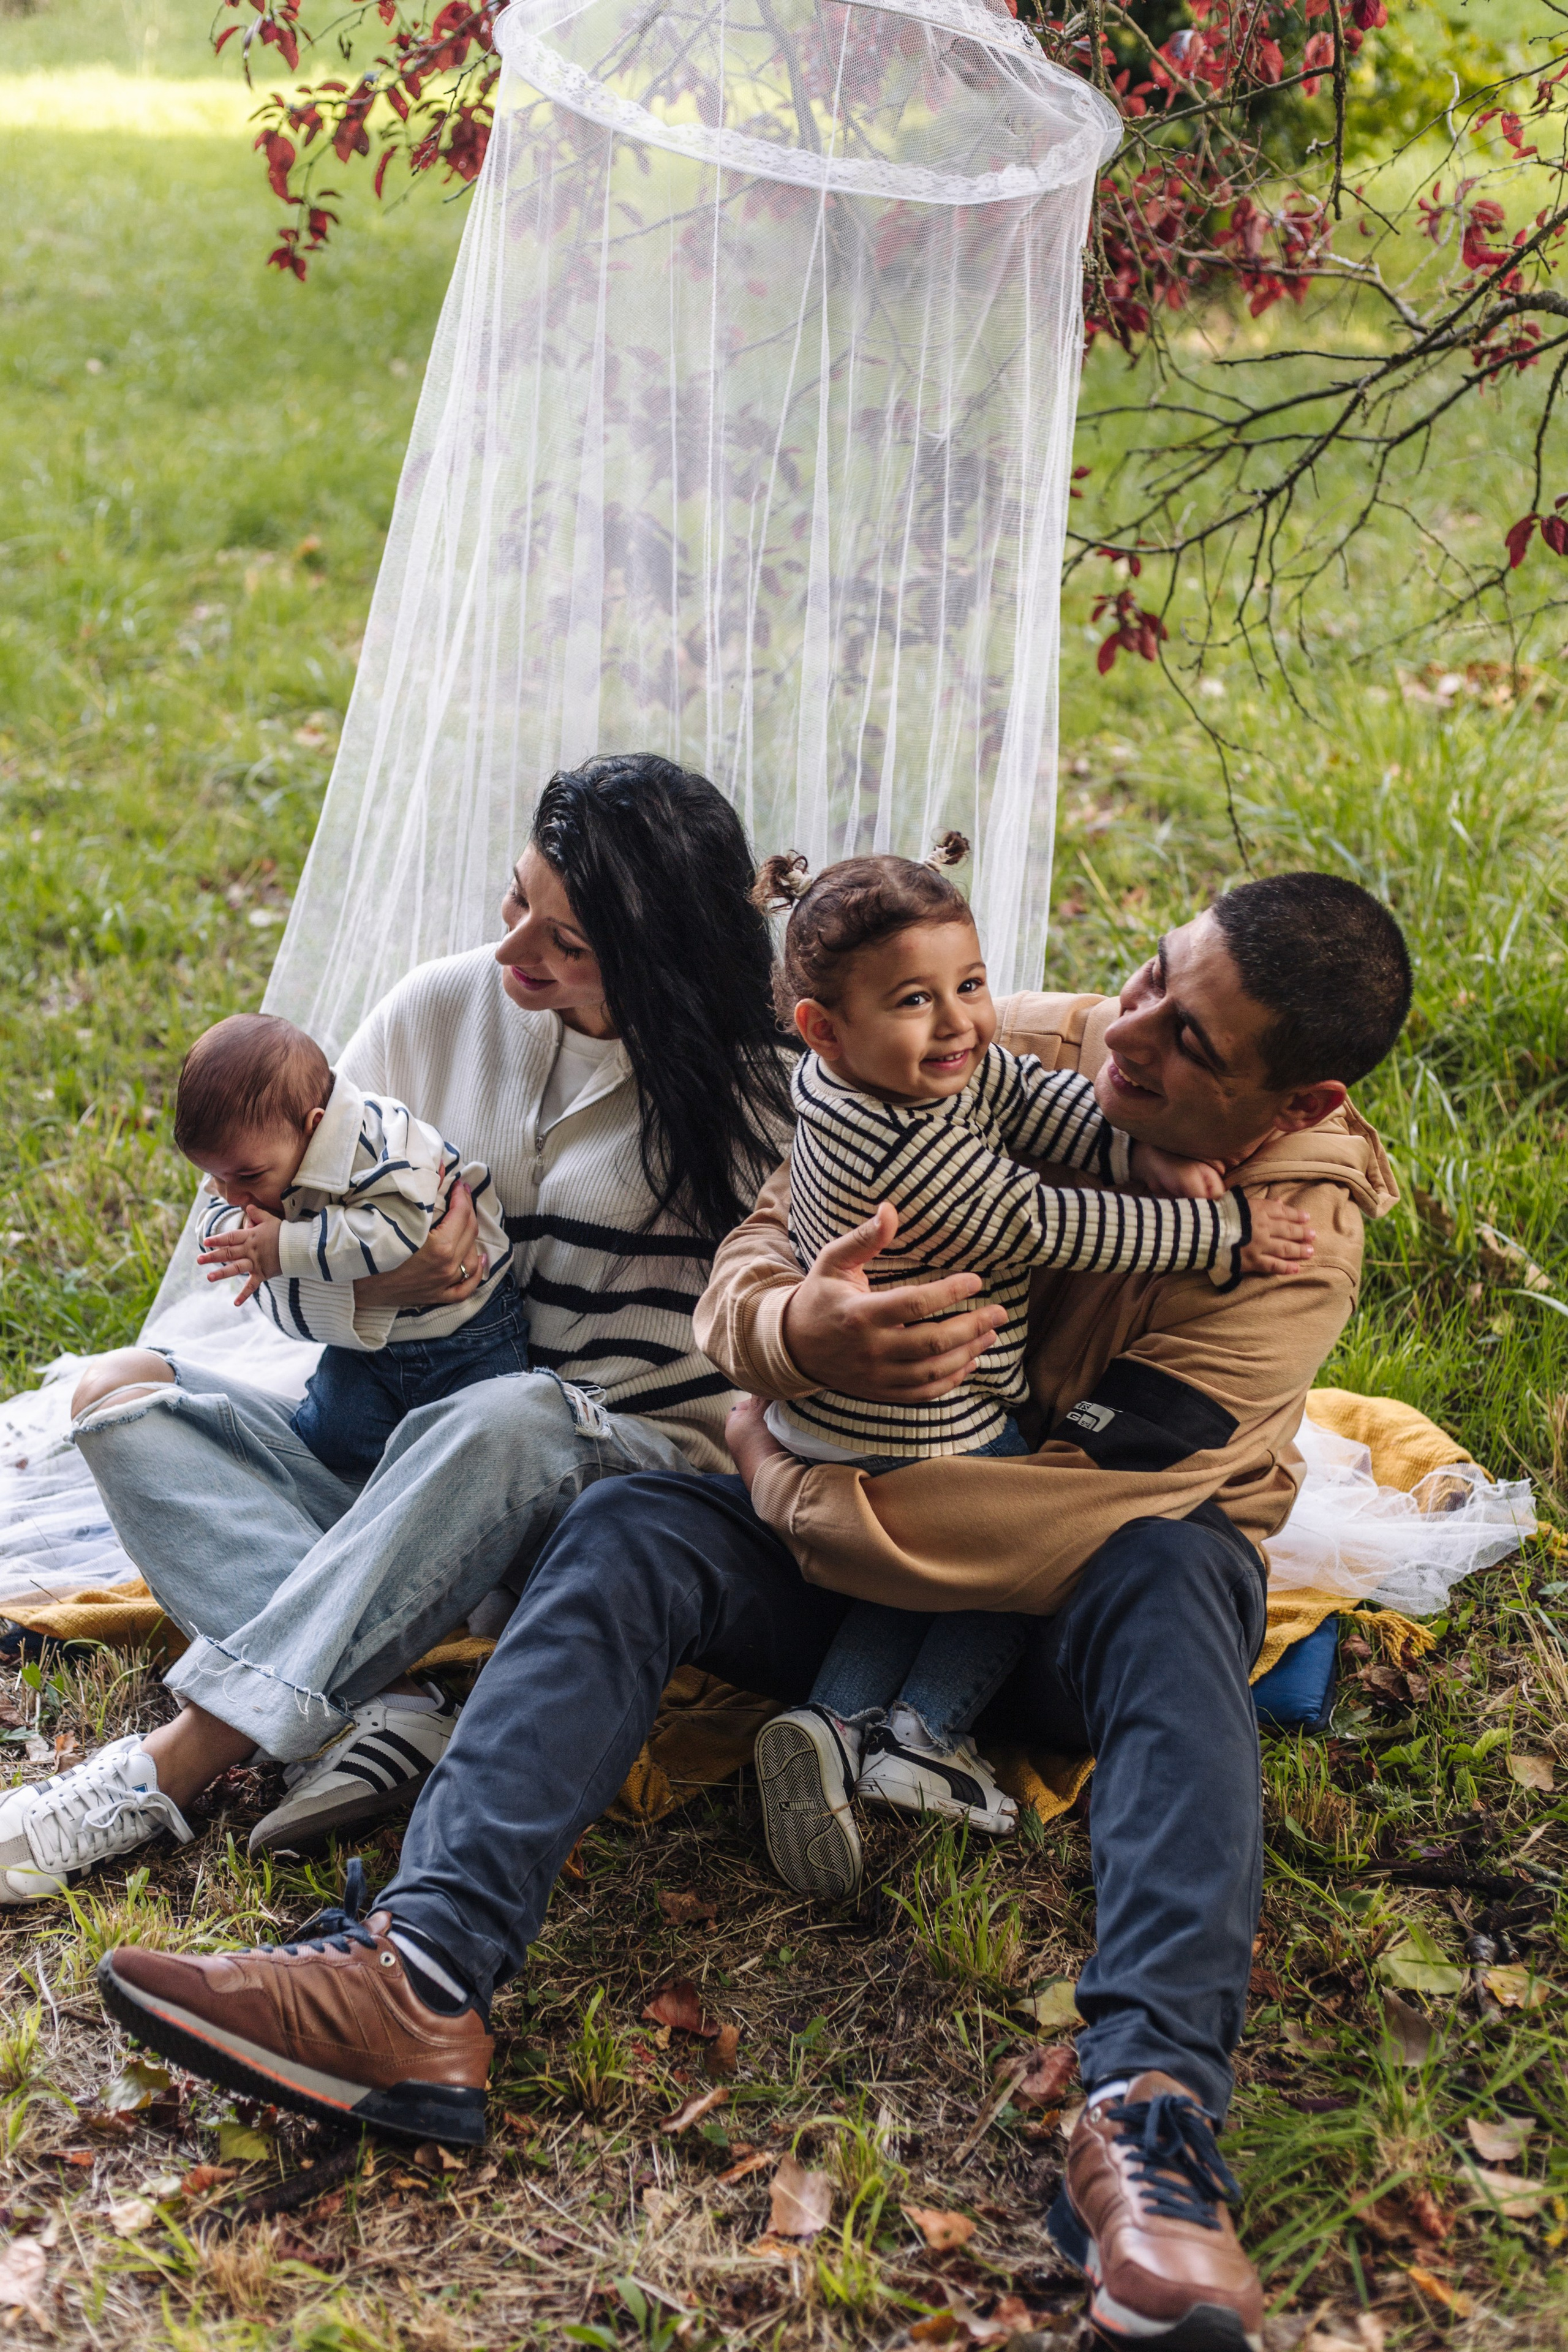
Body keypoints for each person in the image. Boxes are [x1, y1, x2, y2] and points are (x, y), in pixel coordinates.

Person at [96, 870, 1409, 2352]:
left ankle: (1150, 2118)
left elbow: (1066, 1517)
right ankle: (422, 1974)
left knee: (1184, 1574)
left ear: (1292, 1101)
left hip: (1053, 1604)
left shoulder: (1290, 1242)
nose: (1134, 1029)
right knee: (630, 1519)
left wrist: (772, 1460)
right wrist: (788, 1332)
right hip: (856, 1499)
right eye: (1156, 974)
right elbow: (767, 1229)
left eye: (1192, 1042)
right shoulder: (1020, 1041)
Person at [0, 755, 793, 1896]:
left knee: (511, 1414)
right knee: (119, 1405)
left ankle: (172, 1767)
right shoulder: (441, 1008)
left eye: (567, 944)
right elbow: (259, 1260)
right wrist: (375, 1293)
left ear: (658, 955)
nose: (515, 952)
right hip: (405, 1454)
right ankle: (385, 1707)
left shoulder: (761, 1092)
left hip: (613, 1485)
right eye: (519, 900)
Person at [737, 839, 1313, 1867]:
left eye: (970, 983)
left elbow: (1025, 1095)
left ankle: (827, 1727)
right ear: (823, 1029)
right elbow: (1044, 1220)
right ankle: (924, 1732)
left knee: (899, 1586)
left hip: (843, 1418)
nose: (959, 1020)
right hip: (918, 1411)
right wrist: (1224, 1233)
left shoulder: (873, 1079)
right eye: (917, 1000)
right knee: (1011, 1562)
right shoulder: (900, 1143)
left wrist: (1133, 1149)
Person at [180, 1012, 522, 1481]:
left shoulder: (385, 1143)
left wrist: (286, 1247)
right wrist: (230, 1233)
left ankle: (435, 1489)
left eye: (246, 1177)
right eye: (216, 1175)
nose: (232, 1193)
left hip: (468, 1332)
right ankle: (377, 1491)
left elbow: (399, 1231)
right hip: (368, 1347)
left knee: (486, 1448)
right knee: (330, 1437)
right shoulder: (255, 1155)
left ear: (313, 1126)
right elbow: (219, 1208)